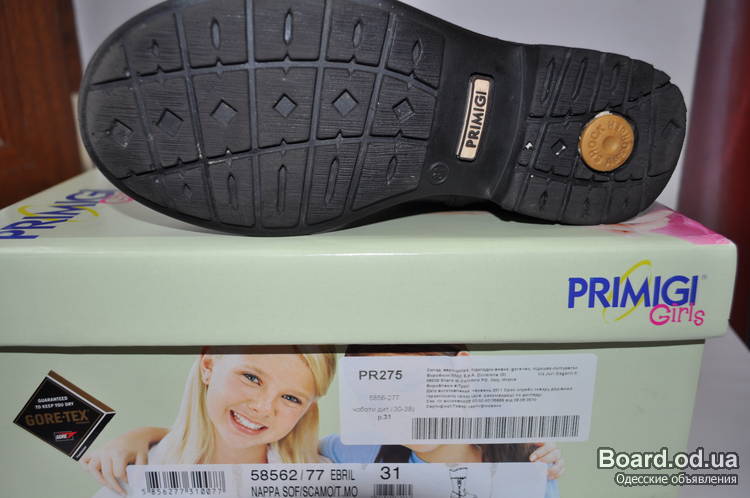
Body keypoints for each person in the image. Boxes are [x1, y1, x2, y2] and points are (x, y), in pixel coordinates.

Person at [81, 346, 336, 496]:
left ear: (307, 409)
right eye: (251, 378)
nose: (263, 408)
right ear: (208, 365)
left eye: (291, 398)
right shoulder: (133, 480)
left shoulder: (326, 481)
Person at [318, 345, 563, 498]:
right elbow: (295, 450)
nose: (399, 409)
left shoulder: (526, 465)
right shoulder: (355, 453)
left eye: (409, 384)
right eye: (375, 397)